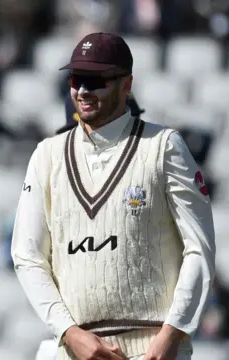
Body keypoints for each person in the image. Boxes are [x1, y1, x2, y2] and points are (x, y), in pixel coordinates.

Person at [11, 32, 215, 360]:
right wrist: (69, 332)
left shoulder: (164, 146)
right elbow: (27, 255)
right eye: (77, 79)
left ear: (126, 84)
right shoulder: (46, 155)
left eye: (97, 80)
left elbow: (199, 248)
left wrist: (171, 335)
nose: (83, 91)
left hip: (153, 348)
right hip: (77, 349)